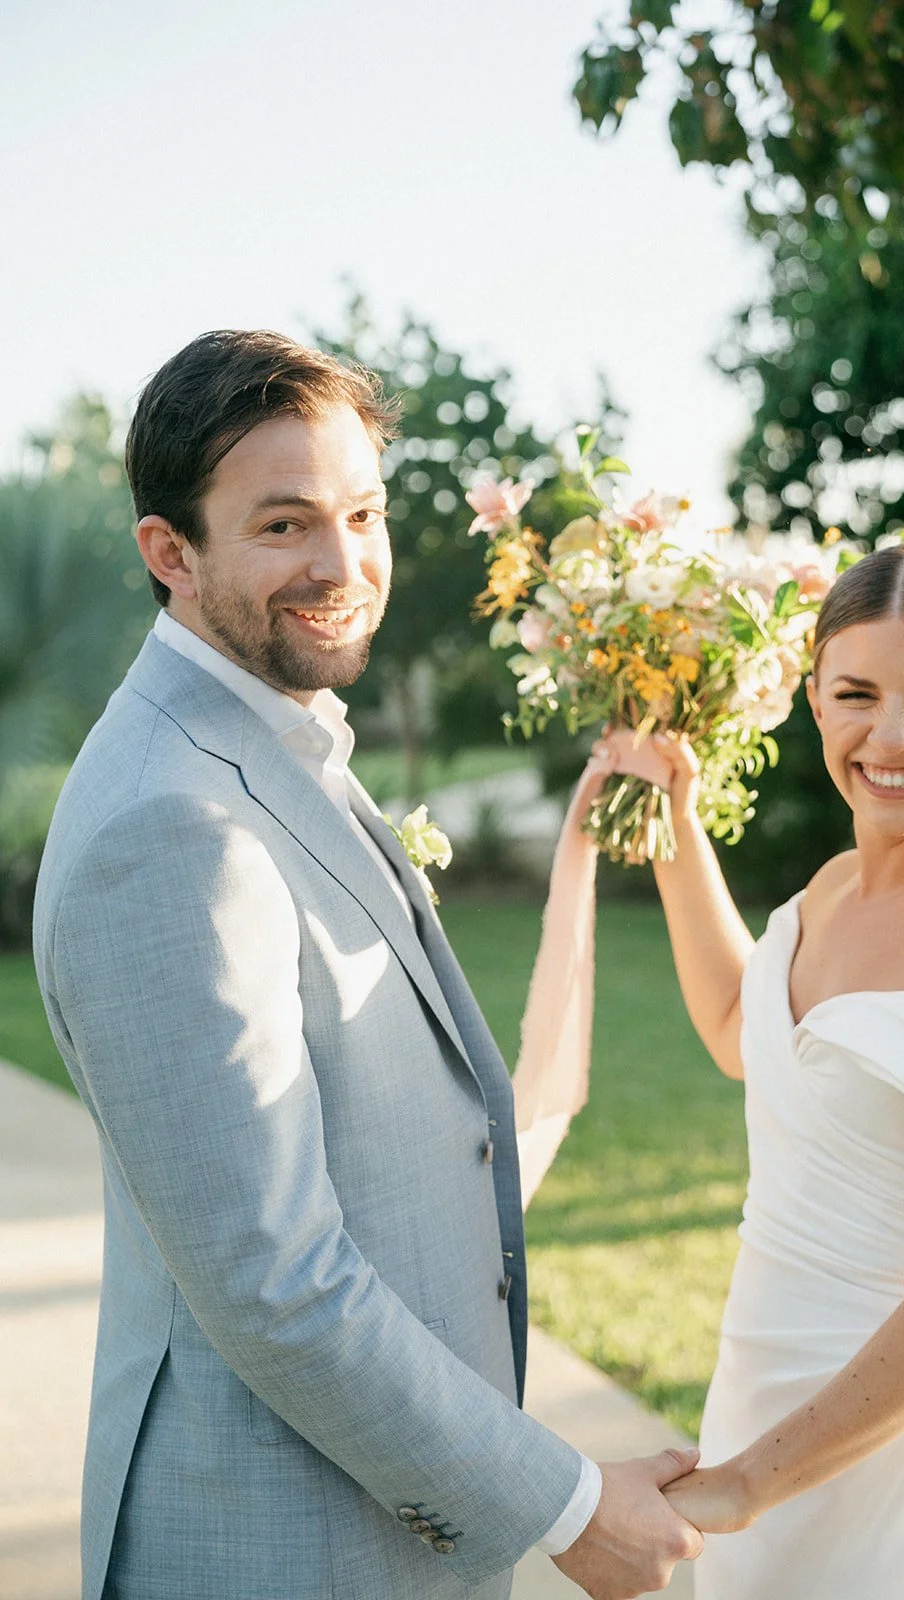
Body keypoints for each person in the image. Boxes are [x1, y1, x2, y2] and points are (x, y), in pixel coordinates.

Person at [32, 329, 703, 1600]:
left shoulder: (260, 739)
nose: (344, 563)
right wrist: (562, 1507)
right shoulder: (168, 826)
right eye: (284, 524)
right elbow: (274, 1283)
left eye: (362, 510)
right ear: (169, 554)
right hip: (276, 1548)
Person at [573, 545, 904, 1598]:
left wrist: (746, 1484)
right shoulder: (835, 884)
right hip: (758, 1387)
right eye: (855, 693)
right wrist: (669, 807)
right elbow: (729, 1024)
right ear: (812, 698)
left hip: (888, 1446)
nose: (889, 735)